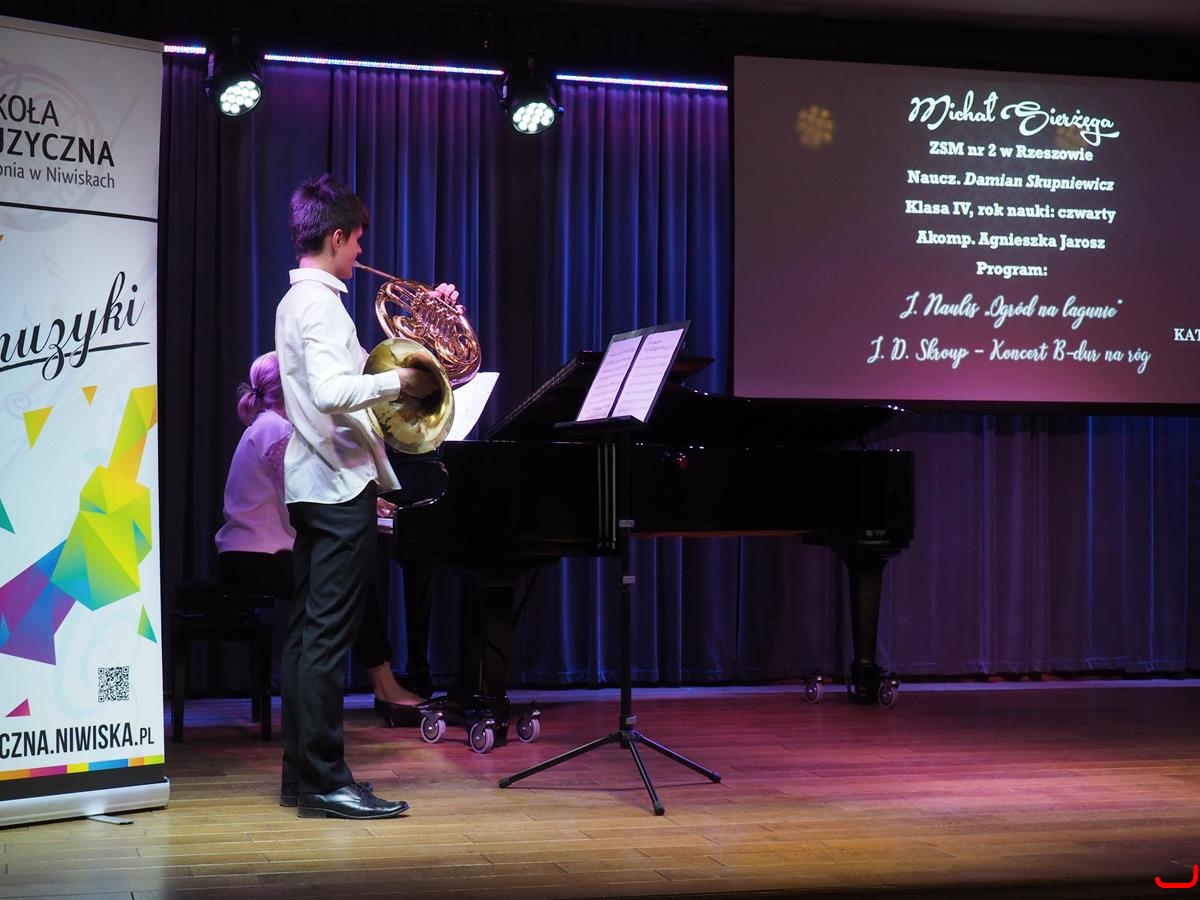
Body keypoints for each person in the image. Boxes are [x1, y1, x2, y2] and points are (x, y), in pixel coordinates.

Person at [275, 172, 456, 820]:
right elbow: (334, 392)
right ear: (335, 237)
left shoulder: (299, 301)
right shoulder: (321, 304)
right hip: (335, 484)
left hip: (313, 483)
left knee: (307, 637)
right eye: (356, 240)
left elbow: (355, 374)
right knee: (325, 640)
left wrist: (427, 331)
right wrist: (401, 381)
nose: (360, 252)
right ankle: (327, 781)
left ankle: (304, 778)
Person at [214, 352, 428, 726]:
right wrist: (361, 505)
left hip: (254, 554)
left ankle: (383, 684)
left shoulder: (268, 426)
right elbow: (299, 494)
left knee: (350, 576)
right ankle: (384, 687)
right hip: (255, 556)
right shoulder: (274, 428)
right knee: (349, 579)